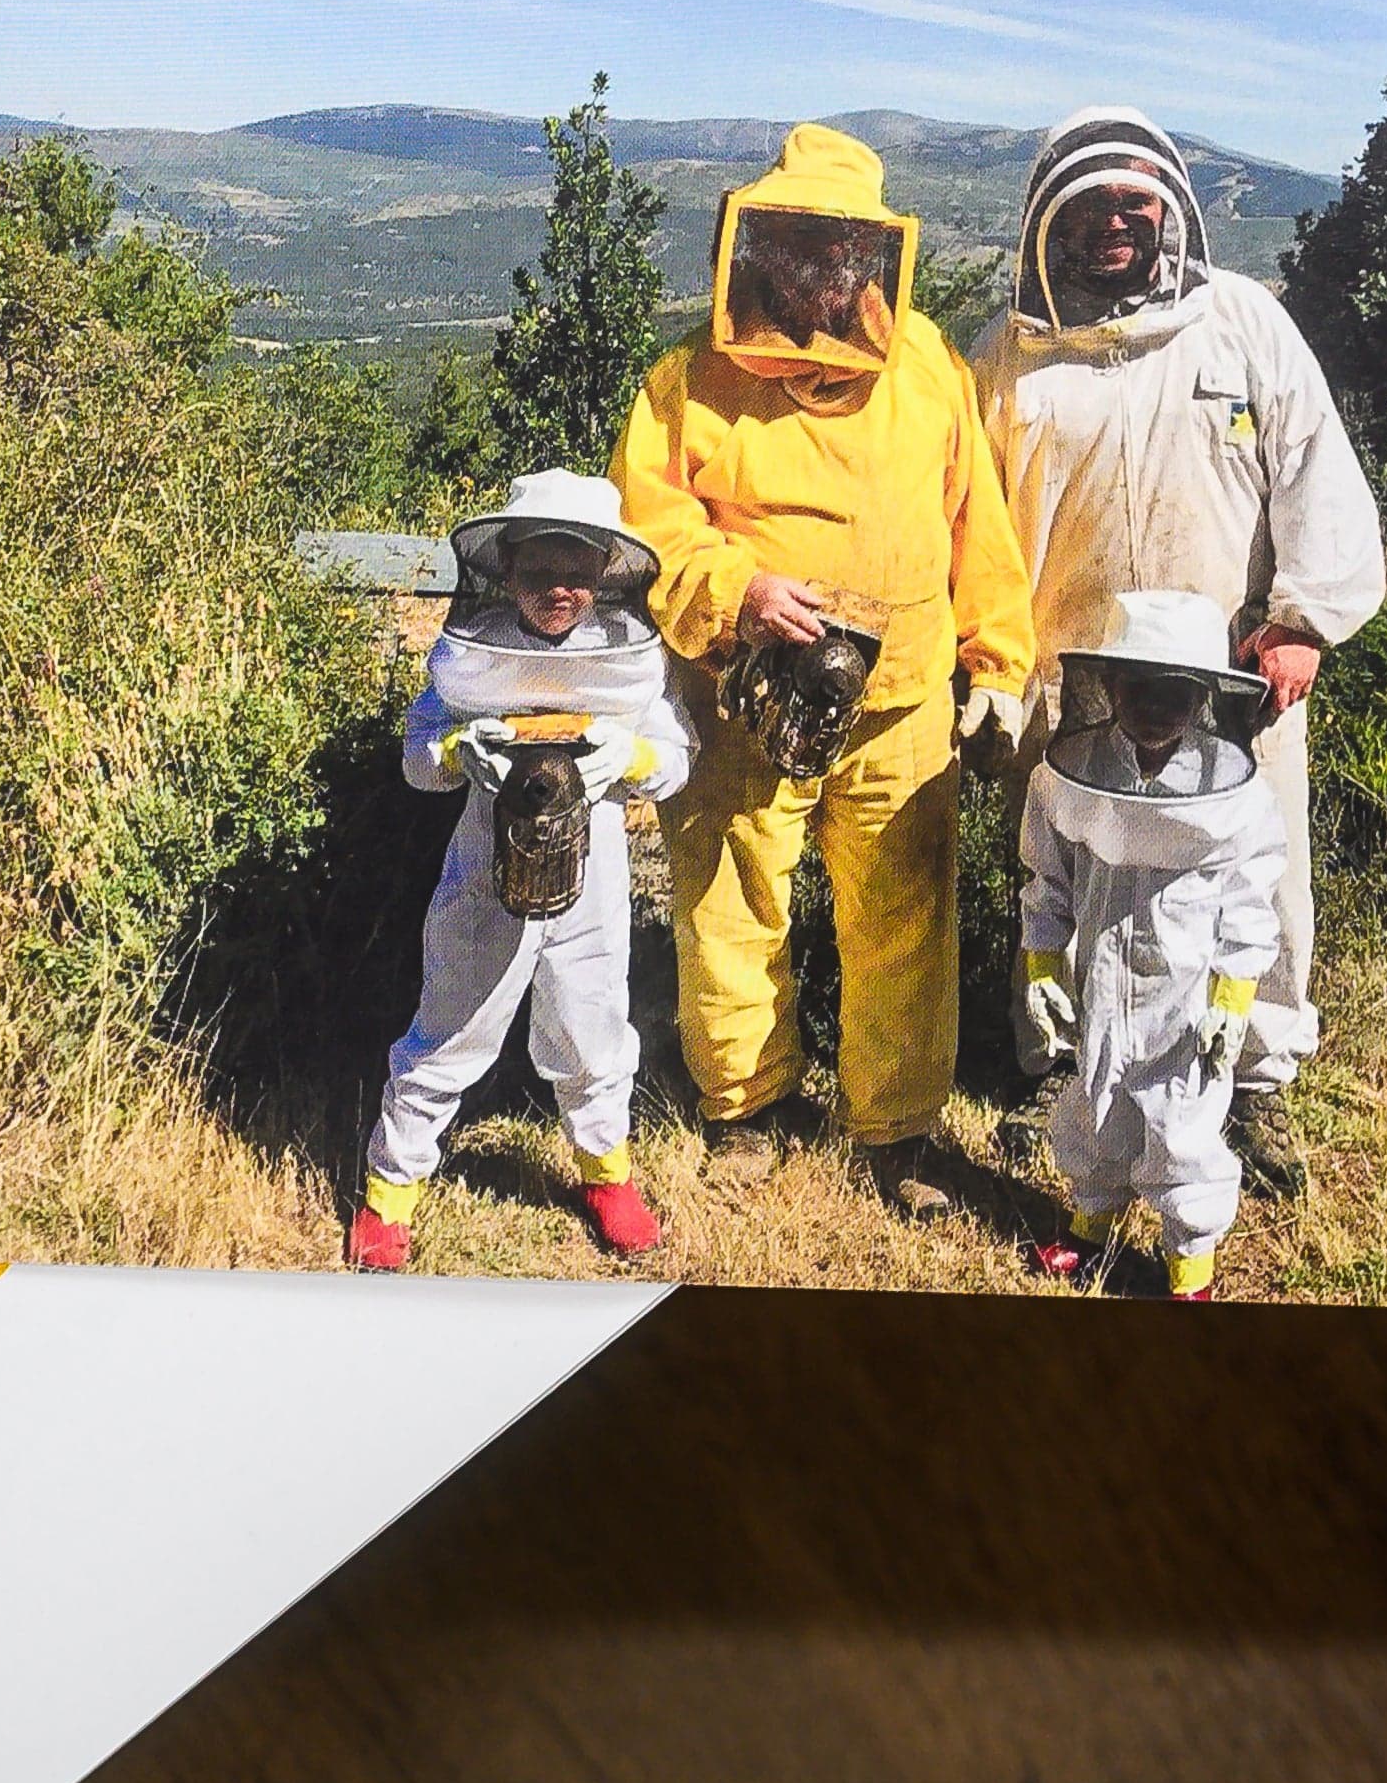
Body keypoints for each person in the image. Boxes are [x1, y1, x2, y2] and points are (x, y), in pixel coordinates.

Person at [966, 105, 1382, 1202]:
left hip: (1232, 677)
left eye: (1133, 203)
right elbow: (964, 520)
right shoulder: (1005, 358)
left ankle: (1254, 1076)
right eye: (1092, 204)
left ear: (1168, 212)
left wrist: (1301, 622)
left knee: (1255, 873)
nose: (1115, 222)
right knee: (1070, 874)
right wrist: (986, 663)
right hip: (1066, 679)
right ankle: (1063, 1066)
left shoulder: (1240, 322)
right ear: (1048, 216)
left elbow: (1315, 469)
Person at [617, 125, 1033, 1217]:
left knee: (904, 911)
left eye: (837, 248)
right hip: (745, 691)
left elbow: (976, 525)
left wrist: (996, 661)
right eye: (798, 245)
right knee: (728, 899)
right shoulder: (687, 379)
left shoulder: (929, 364)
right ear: (761, 243)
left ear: (870, 255)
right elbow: (647, 528)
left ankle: (896, 1126)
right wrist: (737, 590)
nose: (817, 270)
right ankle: (745, 1106)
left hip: (899, 702)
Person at [351, 471, 689, 1271]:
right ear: (505, 569)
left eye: (575, 571)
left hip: (593, 877)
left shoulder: (625, 655)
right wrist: (453, 749)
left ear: (605, 569)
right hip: (483, 873)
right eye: (538, 569)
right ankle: (389, 1192)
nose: (557, 588)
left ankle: (607, 1175)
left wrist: (631, 756)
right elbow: (416, 759)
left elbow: (676, 761)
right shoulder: (475, 652)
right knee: (450, 1027)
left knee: (592, 1027)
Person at [1016, 590, 1284, 1301]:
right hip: (1101, 986)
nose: (1158, 707)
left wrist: (1232, 1002)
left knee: (1181, 1127)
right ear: (1108, 686)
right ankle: (1088, 1229)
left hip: (1187, 1004)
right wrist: (1042, 968)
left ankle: (1189, 1271)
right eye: (1142, 688)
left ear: (1203, 697)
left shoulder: (1233, 793)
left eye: (1176, 692)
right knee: (1096, 1103)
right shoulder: (1068, 776)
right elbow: (1047, 883)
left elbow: (1250, 906)